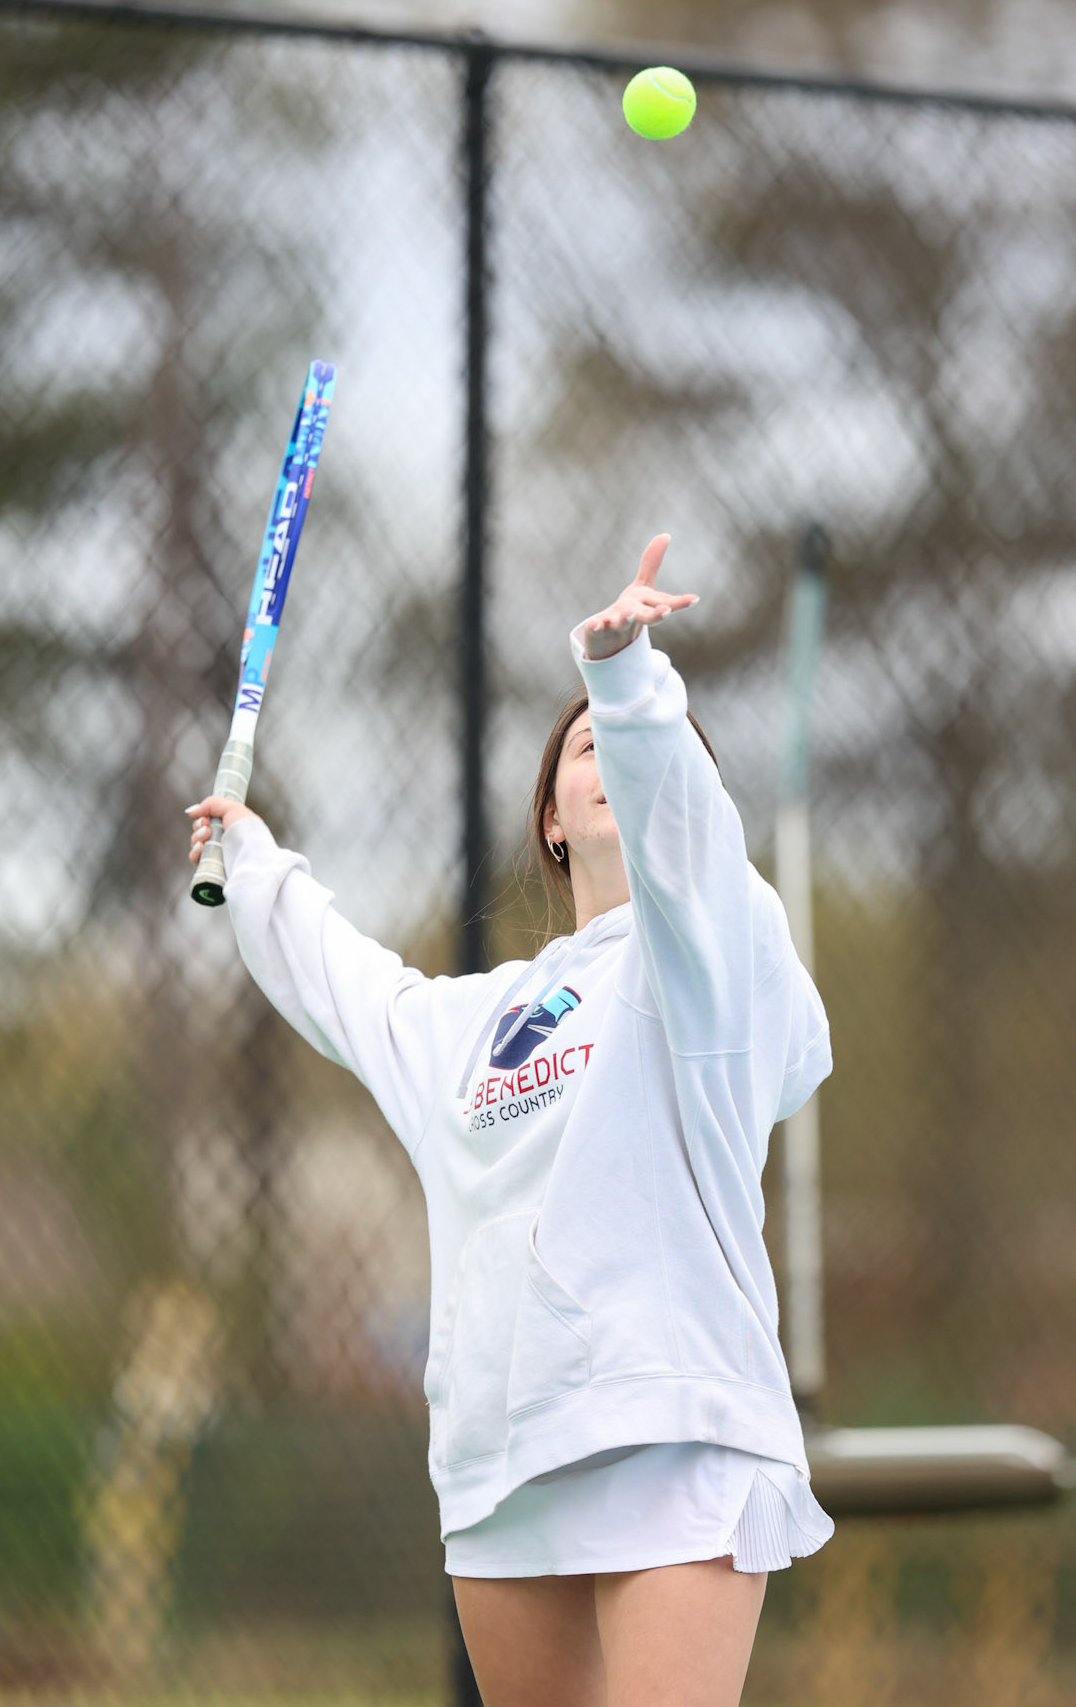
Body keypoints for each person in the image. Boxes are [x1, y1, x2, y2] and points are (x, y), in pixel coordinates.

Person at [186, 533, 834, 1707]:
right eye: (588, 744)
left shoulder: (719, 958)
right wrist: (253, 858)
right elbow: (359, 996)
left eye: (650, 749)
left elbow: (692, 839)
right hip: (503, 1459)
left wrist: (626, 675)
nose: (626, 754)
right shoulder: (482, 1021)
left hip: (673, 1425)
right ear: (549, 815)